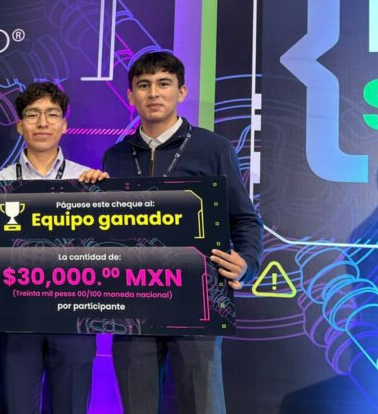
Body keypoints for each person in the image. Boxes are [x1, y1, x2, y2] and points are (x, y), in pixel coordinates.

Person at [101, 51, 263, 414]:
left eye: (164, 84)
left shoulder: (213, 148)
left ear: (181, 92)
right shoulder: (115, 156)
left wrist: (247, 262)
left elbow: (245, 219)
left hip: (197, 298)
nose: (153, 93)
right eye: (143, 85)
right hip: (131, 301)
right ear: (130, 95)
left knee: (202, 405)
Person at [0, 82, 108, 414]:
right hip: (17, 315)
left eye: (52, 115)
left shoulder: (89, 181)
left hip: (75, 316)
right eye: (33, 115)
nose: (42, 123)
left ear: (64, 125)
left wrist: (106, 197)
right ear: (19, 125)